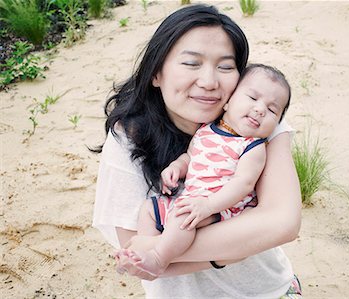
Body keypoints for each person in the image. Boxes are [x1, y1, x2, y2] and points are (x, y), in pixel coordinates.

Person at [93, 4, 302, 298]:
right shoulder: (128, 137)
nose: (208, 82)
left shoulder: (258, 123)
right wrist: (237, 246)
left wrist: (161, 254)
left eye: (226, 67)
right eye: (191, 63)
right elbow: (131, 244)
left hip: (267, 291)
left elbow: (283, 223)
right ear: (156, 73)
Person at [124, 64, 292, 277]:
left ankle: (158, 258)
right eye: (252, 98)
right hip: (194, 199)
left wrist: (208, 205)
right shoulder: (207, 129)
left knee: (182, 218)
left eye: (272, 110)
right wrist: (176, 168)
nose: (260, 109)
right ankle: (143, 256)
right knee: (150, 208)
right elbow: (191, 157)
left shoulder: (252, 146)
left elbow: (244, 183)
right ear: (228, 101)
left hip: (223, 208)